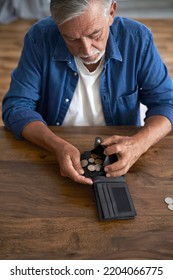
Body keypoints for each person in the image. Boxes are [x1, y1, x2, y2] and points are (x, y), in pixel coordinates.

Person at [2, 0, 173, 185]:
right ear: (57, 24)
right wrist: (56, 145)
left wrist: (139, 143)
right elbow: (17, 106)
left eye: (95, 34)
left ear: (111, 12)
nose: (86, 50)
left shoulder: (138, 39)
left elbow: (166, 103)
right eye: (72, 38)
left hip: (121, 157)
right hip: (51, 152)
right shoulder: (39, 38)